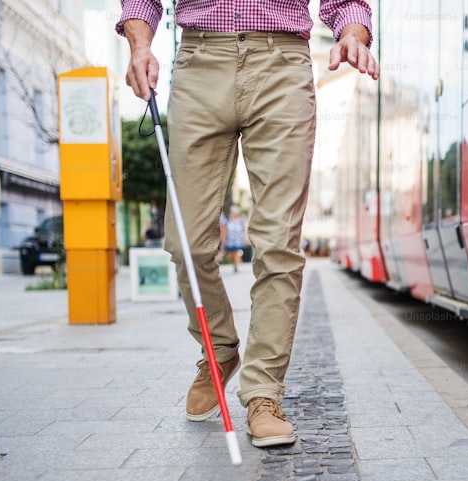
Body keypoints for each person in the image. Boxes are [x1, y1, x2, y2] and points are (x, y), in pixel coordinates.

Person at [117, 0, 379, 447]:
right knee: (186, 244)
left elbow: (347, 3)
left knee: (278, 244)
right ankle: (218, 348)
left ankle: (263, 393)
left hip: (282, 64)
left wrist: (352, 32)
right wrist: (140, 44)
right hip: (200, 62)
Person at [220, 205, 248, 273]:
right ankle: (234, 264)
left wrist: (245, 239)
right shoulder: (228, 221)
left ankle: (236, 266)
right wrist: (224, 240)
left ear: (236, 213)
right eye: (231, 211)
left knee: (236, 253)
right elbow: (225, 230)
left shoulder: (240, 221)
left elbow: (244, 231)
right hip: (230, 241)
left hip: (238, 241)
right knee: (231, 255)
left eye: (233, 212)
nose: (231, 213)